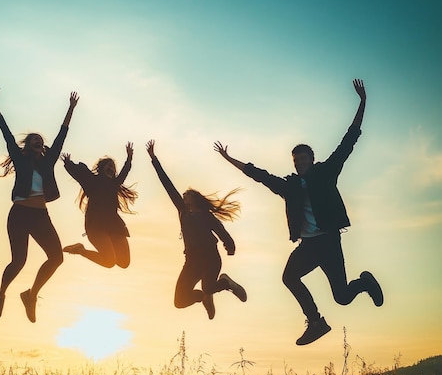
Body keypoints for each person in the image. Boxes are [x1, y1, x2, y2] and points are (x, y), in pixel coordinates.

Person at [214, 78, 383, 346]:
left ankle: (364, 283)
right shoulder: (288, 186)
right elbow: (259, 175)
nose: (299, 161)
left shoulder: (326, 173)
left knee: (342, 297)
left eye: (303, 158)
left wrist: (363, 103)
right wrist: (228, 158)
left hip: (328, 241)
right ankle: (316, 321)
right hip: (308, 245)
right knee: (288, 277)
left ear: (311, 160)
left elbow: (348, 142)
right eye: (296, 159)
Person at [0, 84, 79, 322]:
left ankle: (31, 294)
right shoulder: (20, 159)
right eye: (34, 140)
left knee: (56, 257)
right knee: (19, 261)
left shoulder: (48, 161)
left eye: (40, 140)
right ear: (27, 146)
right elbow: (5, 132)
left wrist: (70, 108)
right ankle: (2, 292)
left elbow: (61, 136)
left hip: (40, 216)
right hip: (19, 214)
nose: (39, 141)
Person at [146, 139, 247, 319]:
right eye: (183, 194)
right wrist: (154, 159)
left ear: (195, 198)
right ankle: (204, 298)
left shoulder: (207, 216)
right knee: (179, 301)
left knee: (208, 286)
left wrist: (230, 247)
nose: (184, 195)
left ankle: (225, 282)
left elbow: (222, 232)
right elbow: (168, 186)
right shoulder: (183, 212)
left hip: (210, 257)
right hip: (191, 260)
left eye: (187, 194)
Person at [61, 142, 137, 269]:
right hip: (96, 227)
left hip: (115, 226)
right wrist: (68, 163)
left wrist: (129, 158)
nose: (112, 169)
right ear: (101, 168)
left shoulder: (114, 184)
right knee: (109, 262)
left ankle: (107, 250)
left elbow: (124, 172)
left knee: (124, 263)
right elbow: (78, 174)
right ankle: (80, 250)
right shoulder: (92, 181)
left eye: (113, 168)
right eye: (109, 166)